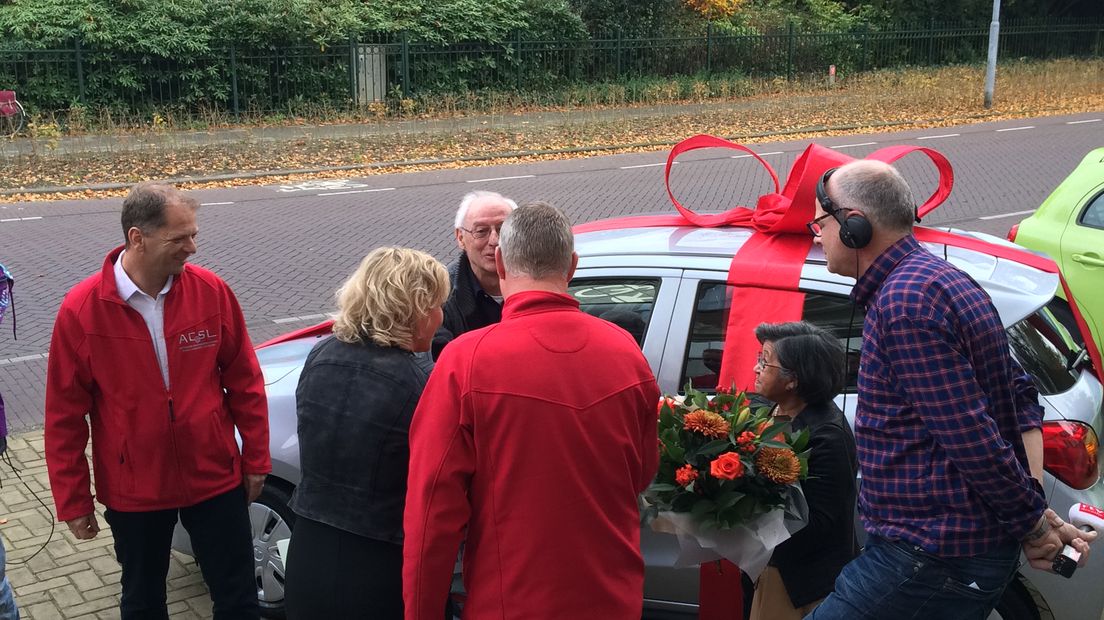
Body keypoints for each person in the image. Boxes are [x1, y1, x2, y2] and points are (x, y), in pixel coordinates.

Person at [805, 160, 1095, 620]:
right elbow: (1018, 396)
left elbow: (972, 438)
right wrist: (1034, 510)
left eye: (820, 223)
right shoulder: (945, 280)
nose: (815, 236)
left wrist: (1035, 526)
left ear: (855, 224)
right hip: (941, 554)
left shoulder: (905, 304)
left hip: (930, 556)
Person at [403, 202, 660, 620]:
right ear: (572, 266)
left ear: (501, 261)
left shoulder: (465, 361)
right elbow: (643, 472)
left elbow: (432, 515)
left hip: (511, 601)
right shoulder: (625, 352)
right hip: (615, 596)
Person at [45, 183, 269, 619]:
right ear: (137, 238)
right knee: (143, 600)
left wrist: (256, 457)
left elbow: (245, 380)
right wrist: (73, 500)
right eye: (180, 237)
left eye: (194, 234)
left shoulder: (211, 292)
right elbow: (64, 416)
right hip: (135, 487)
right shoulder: (82, 310)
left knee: (238, 596)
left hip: (213, 475)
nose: (192, 247)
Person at [284, 247, 448, 619]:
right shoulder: (418, 383)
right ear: (415, 310)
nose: (440, 316)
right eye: (436, 305)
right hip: (377, 562)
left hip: (309, 547)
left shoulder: (320, 356)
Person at [748, 321, 857, 620]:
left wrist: (746, 517)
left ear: (793, 380)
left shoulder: (827, 435)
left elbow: (820, 523)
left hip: (800, 581)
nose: (756, 368)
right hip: (772, 565)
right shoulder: (769, 410)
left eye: (765, 361)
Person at [431, 190, 517, 359]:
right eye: (481, 231)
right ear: (460, 238)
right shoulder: (439, 299)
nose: (495, 241)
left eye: (503, 229)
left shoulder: (540, 284)